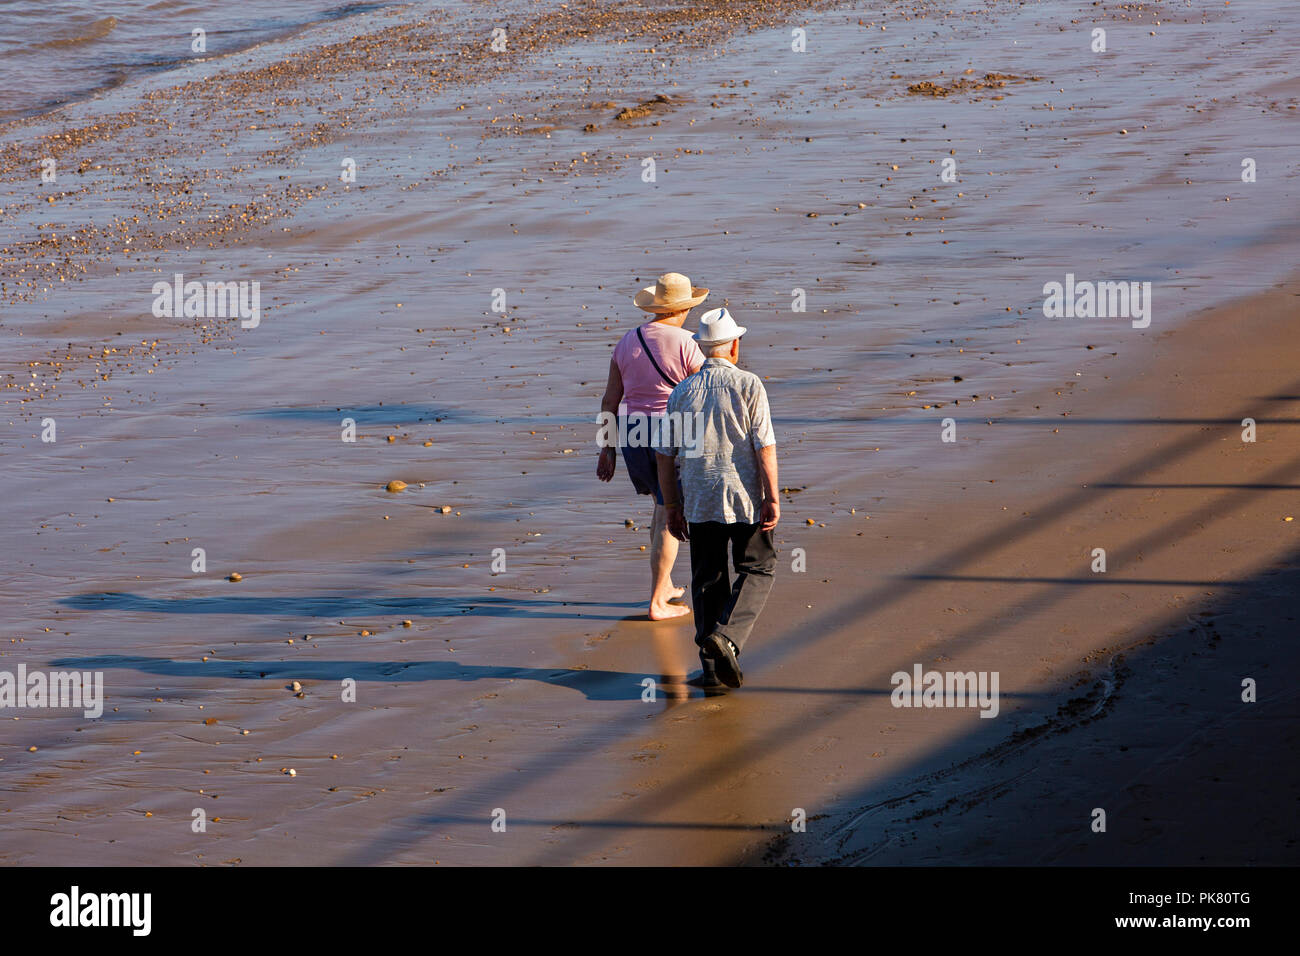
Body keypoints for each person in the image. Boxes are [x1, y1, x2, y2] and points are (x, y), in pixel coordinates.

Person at [655, 307, 779, 689]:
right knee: (758, 568)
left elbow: (664, 454)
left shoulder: (681, 392)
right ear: (734, 345)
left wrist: (672, 505)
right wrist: (772, 497)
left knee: (708, 579)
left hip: (699, 498)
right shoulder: (749, 384)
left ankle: (711, 671)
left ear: (703, 348)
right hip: (743, 496)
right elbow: (765, 447)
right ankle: (727, 638)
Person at [597, 273, 707, 620]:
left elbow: (610, 400)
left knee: (659, 507)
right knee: (668, 512)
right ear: (686, 307)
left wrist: (606, 448)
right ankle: (658, 602)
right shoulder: (690, 342)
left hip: (631, 432)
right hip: (670, 430)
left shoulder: (626, 341)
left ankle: (666, 583)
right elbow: (706, 394)